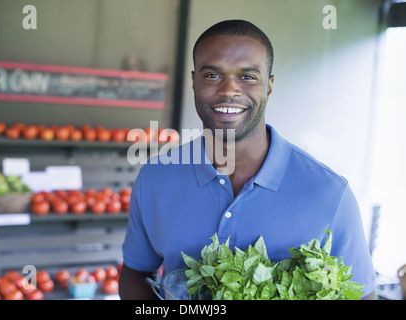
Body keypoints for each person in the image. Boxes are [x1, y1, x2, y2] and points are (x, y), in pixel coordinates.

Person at [119, 20, 376, 300]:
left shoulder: (330, 193)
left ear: (269, 86)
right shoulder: (156, 177)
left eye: (248, 77)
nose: (229, 90)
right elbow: (136, 273)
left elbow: (362, 295)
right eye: (213, 75)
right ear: (194, 82)